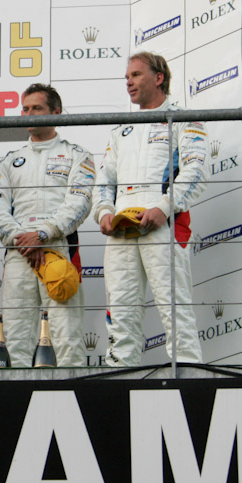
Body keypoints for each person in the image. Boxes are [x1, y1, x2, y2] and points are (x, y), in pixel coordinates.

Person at [95, 51, 208, 366]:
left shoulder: (182, 119)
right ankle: (119, 373)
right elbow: (104, 177)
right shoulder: (121, 129)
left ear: (159, 78)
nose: (129, 82)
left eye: (136, 75)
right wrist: (104, 211)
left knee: (174, 307)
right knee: (120, 309)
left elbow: (196, 172)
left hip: (163, 225)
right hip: (121, 230)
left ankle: (187, 374)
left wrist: (164, 207)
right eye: (127, 77)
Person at [0, 84, 94, 367]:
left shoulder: (77, 155)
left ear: (56, 112)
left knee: (66, 335)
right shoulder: (9, 161)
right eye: (25, 108)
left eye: (37, 108)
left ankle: (74, 396)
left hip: (58, 248)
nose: (29, 114)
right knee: (16, 337)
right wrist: (23, 238)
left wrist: (43, 234)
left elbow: (79, 202)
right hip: (19, 251)